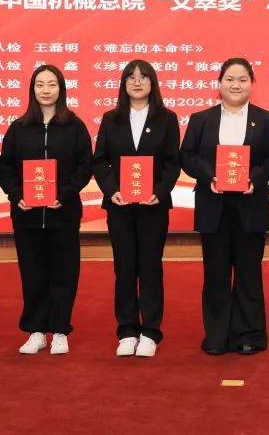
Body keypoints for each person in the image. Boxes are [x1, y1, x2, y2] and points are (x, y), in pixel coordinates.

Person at [180, 58, 269, 355]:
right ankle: (216, 335)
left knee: (249, 273)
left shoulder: (268, 119)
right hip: (213, 205)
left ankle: (249, 335)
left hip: (251, 205)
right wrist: (209, 175)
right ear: (219, 83)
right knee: (216, 273)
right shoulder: (201, 119)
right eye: (229, 79)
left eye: (242, 79)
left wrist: (256, 177)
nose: (235, 85)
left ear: (251, 83)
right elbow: (187, 155)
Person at [0, 65, 92, 356]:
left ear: (61, 89)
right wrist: (16, 195)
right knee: (33, 273)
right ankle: (36, 331)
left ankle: (60, 330)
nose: (46, 90)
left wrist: (64, 194)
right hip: (26, 215)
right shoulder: (19, 127)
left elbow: (84, 167)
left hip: (63, 213)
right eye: (40, 85)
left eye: (52, 84)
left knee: (65, 272)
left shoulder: (75, 126)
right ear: (32, 90)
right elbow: (5, 167)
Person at [93, 60, 181, 357]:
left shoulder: (167, 118)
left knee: (150, 267)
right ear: (123, 83)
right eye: (131, 77)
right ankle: (127, 331)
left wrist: (159, 192)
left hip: (153, 206)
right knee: (125, 267)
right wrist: (112, 190)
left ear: (152, 83)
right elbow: (100, 161)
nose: (137, 82)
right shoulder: (111, 118)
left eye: (143, 77)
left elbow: (172, 163)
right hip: (120, 206)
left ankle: (151, 332)